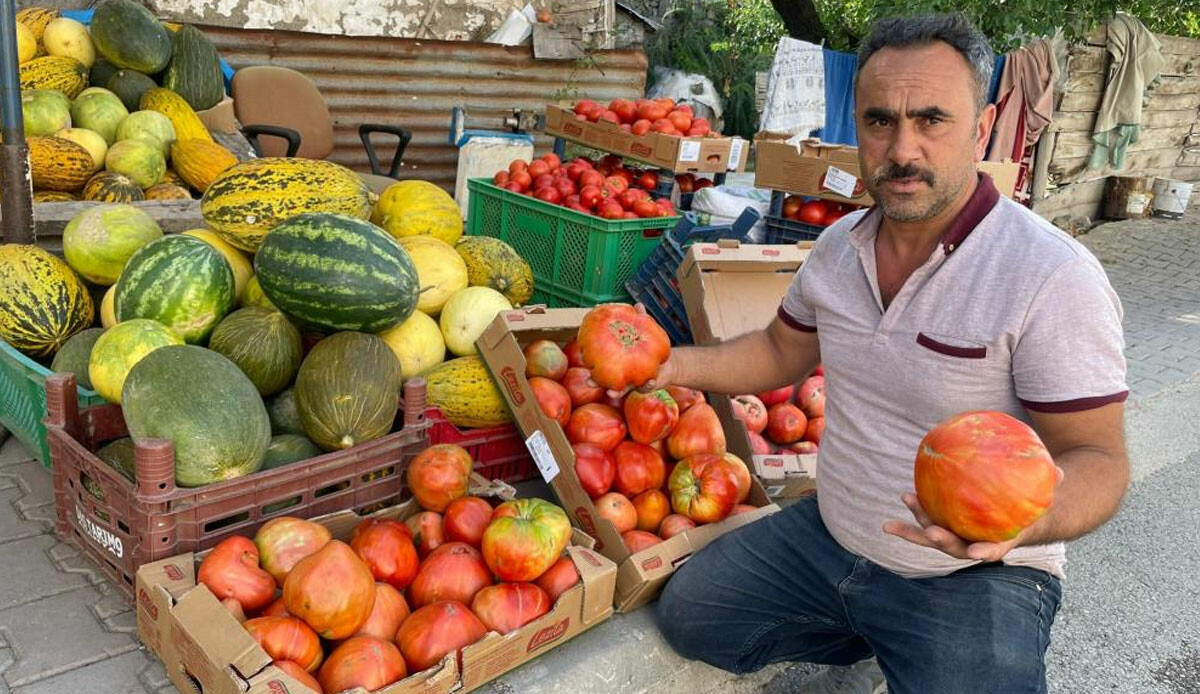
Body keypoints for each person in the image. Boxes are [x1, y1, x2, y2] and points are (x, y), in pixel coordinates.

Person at [651, 13, 1129, 694]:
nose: (902, 149)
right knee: (692, 617)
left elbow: (1100, 459)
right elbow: (780, 354)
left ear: (984, 123)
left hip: (970, 575)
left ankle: (904, 634)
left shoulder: (1050, 276)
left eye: (932, 119)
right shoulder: (836, 247)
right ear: (857, 125)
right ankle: (873, 632)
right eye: (879, 121)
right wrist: (674, 366)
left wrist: (1025, 526)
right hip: (830, 538)